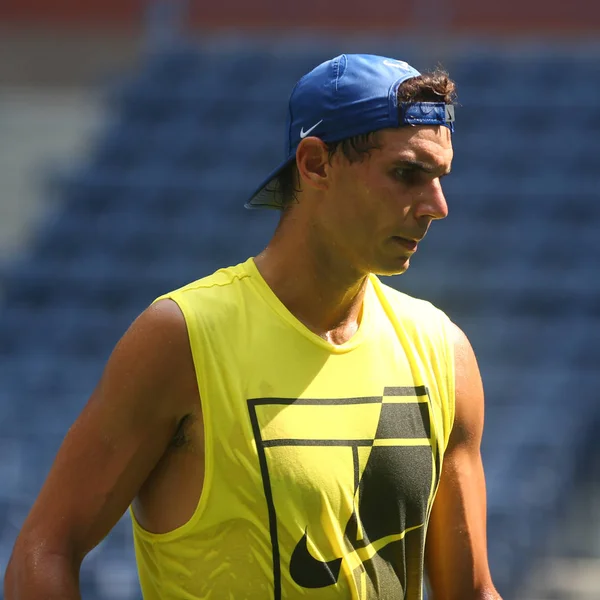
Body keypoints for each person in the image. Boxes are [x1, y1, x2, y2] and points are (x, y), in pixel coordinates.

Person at [4, 53, 501, 600]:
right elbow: (44, 550)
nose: (437, 205)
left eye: (439, 178)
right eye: (407, 173)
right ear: (315, 164)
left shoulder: (443, 353)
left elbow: (471, 592)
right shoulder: (183, 337)